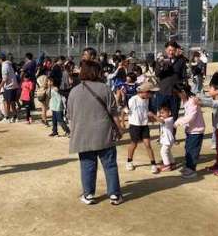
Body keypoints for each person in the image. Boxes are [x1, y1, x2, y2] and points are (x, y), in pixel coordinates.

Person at [66, 60, 123, 206]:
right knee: (110, 165)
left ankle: (88, 194)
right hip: (104, 133)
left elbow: (70, 116)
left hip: (82, 134)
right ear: (97, 72)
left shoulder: (74, 91)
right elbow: (114, 112)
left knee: (87, 165)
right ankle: (114, 194)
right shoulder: (105, 88)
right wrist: (120, 129)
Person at [126, 82, 160, 174]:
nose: (153, 94)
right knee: (134, 144)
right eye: (151, 92)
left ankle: (153, 164)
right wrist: (123, 118)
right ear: (145, 92)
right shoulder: (133, 100)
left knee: (148, 145)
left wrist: (150, 117)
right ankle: (129, 161)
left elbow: (146, 110)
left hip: (144, 125)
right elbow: (126, 109)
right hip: (134, 126)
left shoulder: (147, 100)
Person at [173, 84, 205, 179]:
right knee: (188, 148)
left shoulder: (192, 101)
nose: (177, 96)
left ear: (183, 92)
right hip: (190, 130)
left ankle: (192, 170)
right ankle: (188, 166)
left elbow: (191, 117)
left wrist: (178, 122)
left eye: (178, 93)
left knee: (193, 150)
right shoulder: (186, 100)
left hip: (196, 130)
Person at [155, 41, 187, 124]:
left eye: (173, 50)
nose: (171, 52)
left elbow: (183, 76)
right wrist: (161, 65)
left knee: (174, 115)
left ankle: (173, 132)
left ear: (176, 50)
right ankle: (163, 132)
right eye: (169, 50)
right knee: (162, 116)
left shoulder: (181, 61)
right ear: (166, 50)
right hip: (163, 92)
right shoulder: (160, 60)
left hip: (175, 93)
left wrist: (183, 89)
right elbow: (157, 74)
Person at [0, 53, 19, 123]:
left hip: (9, 87)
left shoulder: (4, 66)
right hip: (14, 86)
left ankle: (7, 118)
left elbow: (4, 79)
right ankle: (15, 117)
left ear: (0, 59)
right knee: (12, 102)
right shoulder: (9, 64)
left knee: (6, 102)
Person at [156, 104, 175, 172]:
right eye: (161, 113)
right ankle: (172, 163)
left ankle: (167, 165)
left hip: (168, 140)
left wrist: (153, 115)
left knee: (163, 152)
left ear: (169, 113)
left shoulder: (170, 119)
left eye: (163, 113)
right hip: (166, 140)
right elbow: (158, 120)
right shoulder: (163, 118)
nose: (162, 114)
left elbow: (162, 121)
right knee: (168, 151)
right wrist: (155, 116)